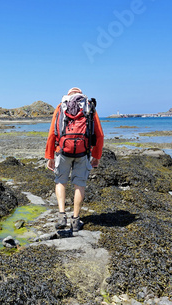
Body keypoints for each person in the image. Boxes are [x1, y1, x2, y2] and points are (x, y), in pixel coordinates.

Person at [45, 87, 104, 232]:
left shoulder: (61, 107)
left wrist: (50, 156)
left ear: (68, 95)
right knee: (79, 185)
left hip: (62, 151)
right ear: (81, 95)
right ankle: (76, 220)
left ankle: (61, 216)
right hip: (83, 152)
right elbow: (100, 135)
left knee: (60, 181)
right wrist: (96, 156)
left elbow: (53, 133)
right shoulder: (89, 107)